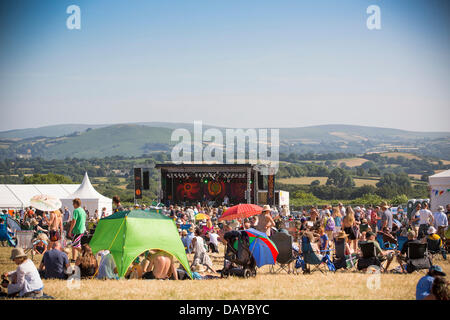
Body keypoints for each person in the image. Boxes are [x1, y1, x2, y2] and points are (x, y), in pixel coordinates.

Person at [68, 198, 87, 262]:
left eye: (73, 203)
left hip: (77, 230)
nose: (73, 205)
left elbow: (74, 221)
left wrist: (70, 230)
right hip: (82, 229)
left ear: (76, 204)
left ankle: (85, 254)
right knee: (76, 244)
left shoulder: (76, 210)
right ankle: (74, 259)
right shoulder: (82, 210)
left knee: (74, 245)